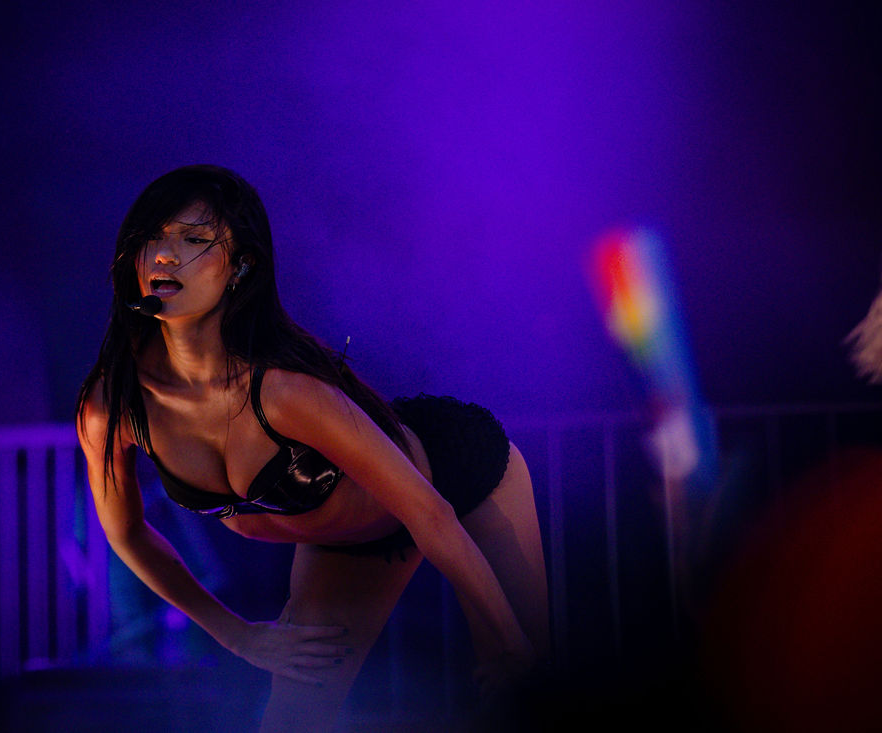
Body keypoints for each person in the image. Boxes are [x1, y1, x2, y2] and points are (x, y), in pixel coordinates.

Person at [76, 164, 549, 731]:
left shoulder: (284, 392)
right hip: (343, 542)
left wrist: (506, 642)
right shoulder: (112, 406)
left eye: (195, 239)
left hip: (455, 480)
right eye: (152, 236)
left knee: (521, 691)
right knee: (290, 723)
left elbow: (430, 513)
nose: (165, 254)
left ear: (241, 266)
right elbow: (126, 533)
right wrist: (238, 636)